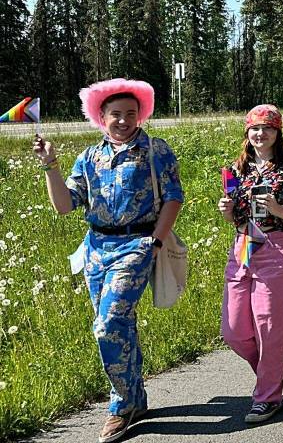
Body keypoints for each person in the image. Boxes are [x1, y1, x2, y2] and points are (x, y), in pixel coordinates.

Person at [32, 79, 183, 443]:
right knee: (120, 324)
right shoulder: (89, 157)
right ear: (101, 116)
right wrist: (50, 164)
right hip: (96, 249)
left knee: (108, 324)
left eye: (131, 113)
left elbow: (174, 198)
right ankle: (137, 398)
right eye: (116, 114)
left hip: (137, 245)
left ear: (140, 114)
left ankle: (121, 405)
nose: (124, 120)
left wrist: (156, 242)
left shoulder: (155, 151)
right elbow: (64, 206)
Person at [218, 104, 283, 423]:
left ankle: (268, 396)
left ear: (278, 133)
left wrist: (278, 207)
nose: (261, 134)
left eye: (268, 128)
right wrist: (227, 210)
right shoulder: (235, 169)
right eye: (255, 128)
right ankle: (268, 371)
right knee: (234, 329)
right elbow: (234, 214)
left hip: (279, 246)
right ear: (247, 132)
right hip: (244, 245)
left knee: (268, 326)